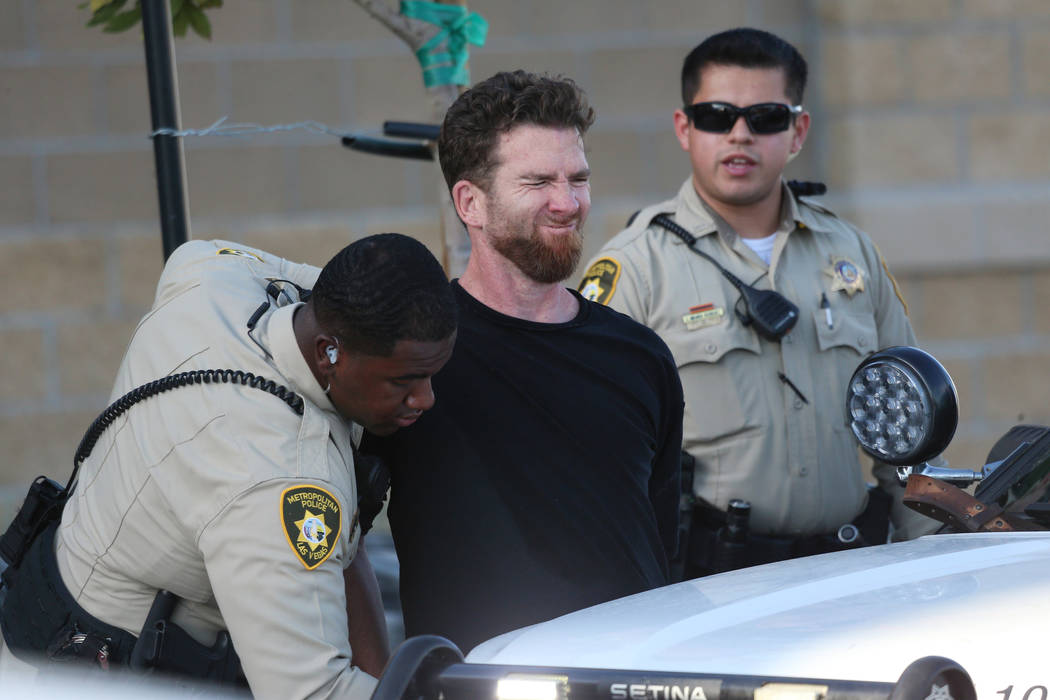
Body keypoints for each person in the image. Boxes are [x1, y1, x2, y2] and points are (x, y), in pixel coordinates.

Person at [0, 235, 457, 698]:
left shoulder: (211, 277)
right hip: (122, 664)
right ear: (328, 353)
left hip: (73, 571)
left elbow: (303, 283)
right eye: (404, 380)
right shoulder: (281, 484)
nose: (425, 398)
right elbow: (310, 691)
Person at [578, 28, 935, 579]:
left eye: (765, 117)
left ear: (797, 131)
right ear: (684, 128)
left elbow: (909, 432)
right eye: (717, 116)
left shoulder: (851, 253)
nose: (739, 135)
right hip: (708, 589)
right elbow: (595, 458)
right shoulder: (636, 268)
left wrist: (932, 564)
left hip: (851, 574)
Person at [362, 70, 685, 654]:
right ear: (470, 202)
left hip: (636, 675)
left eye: (578, 179)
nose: (568, 203)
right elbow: (339, 548)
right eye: (538, 181)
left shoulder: (641, 357)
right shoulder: (412, 361)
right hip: (480, 684)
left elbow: (664, 547)